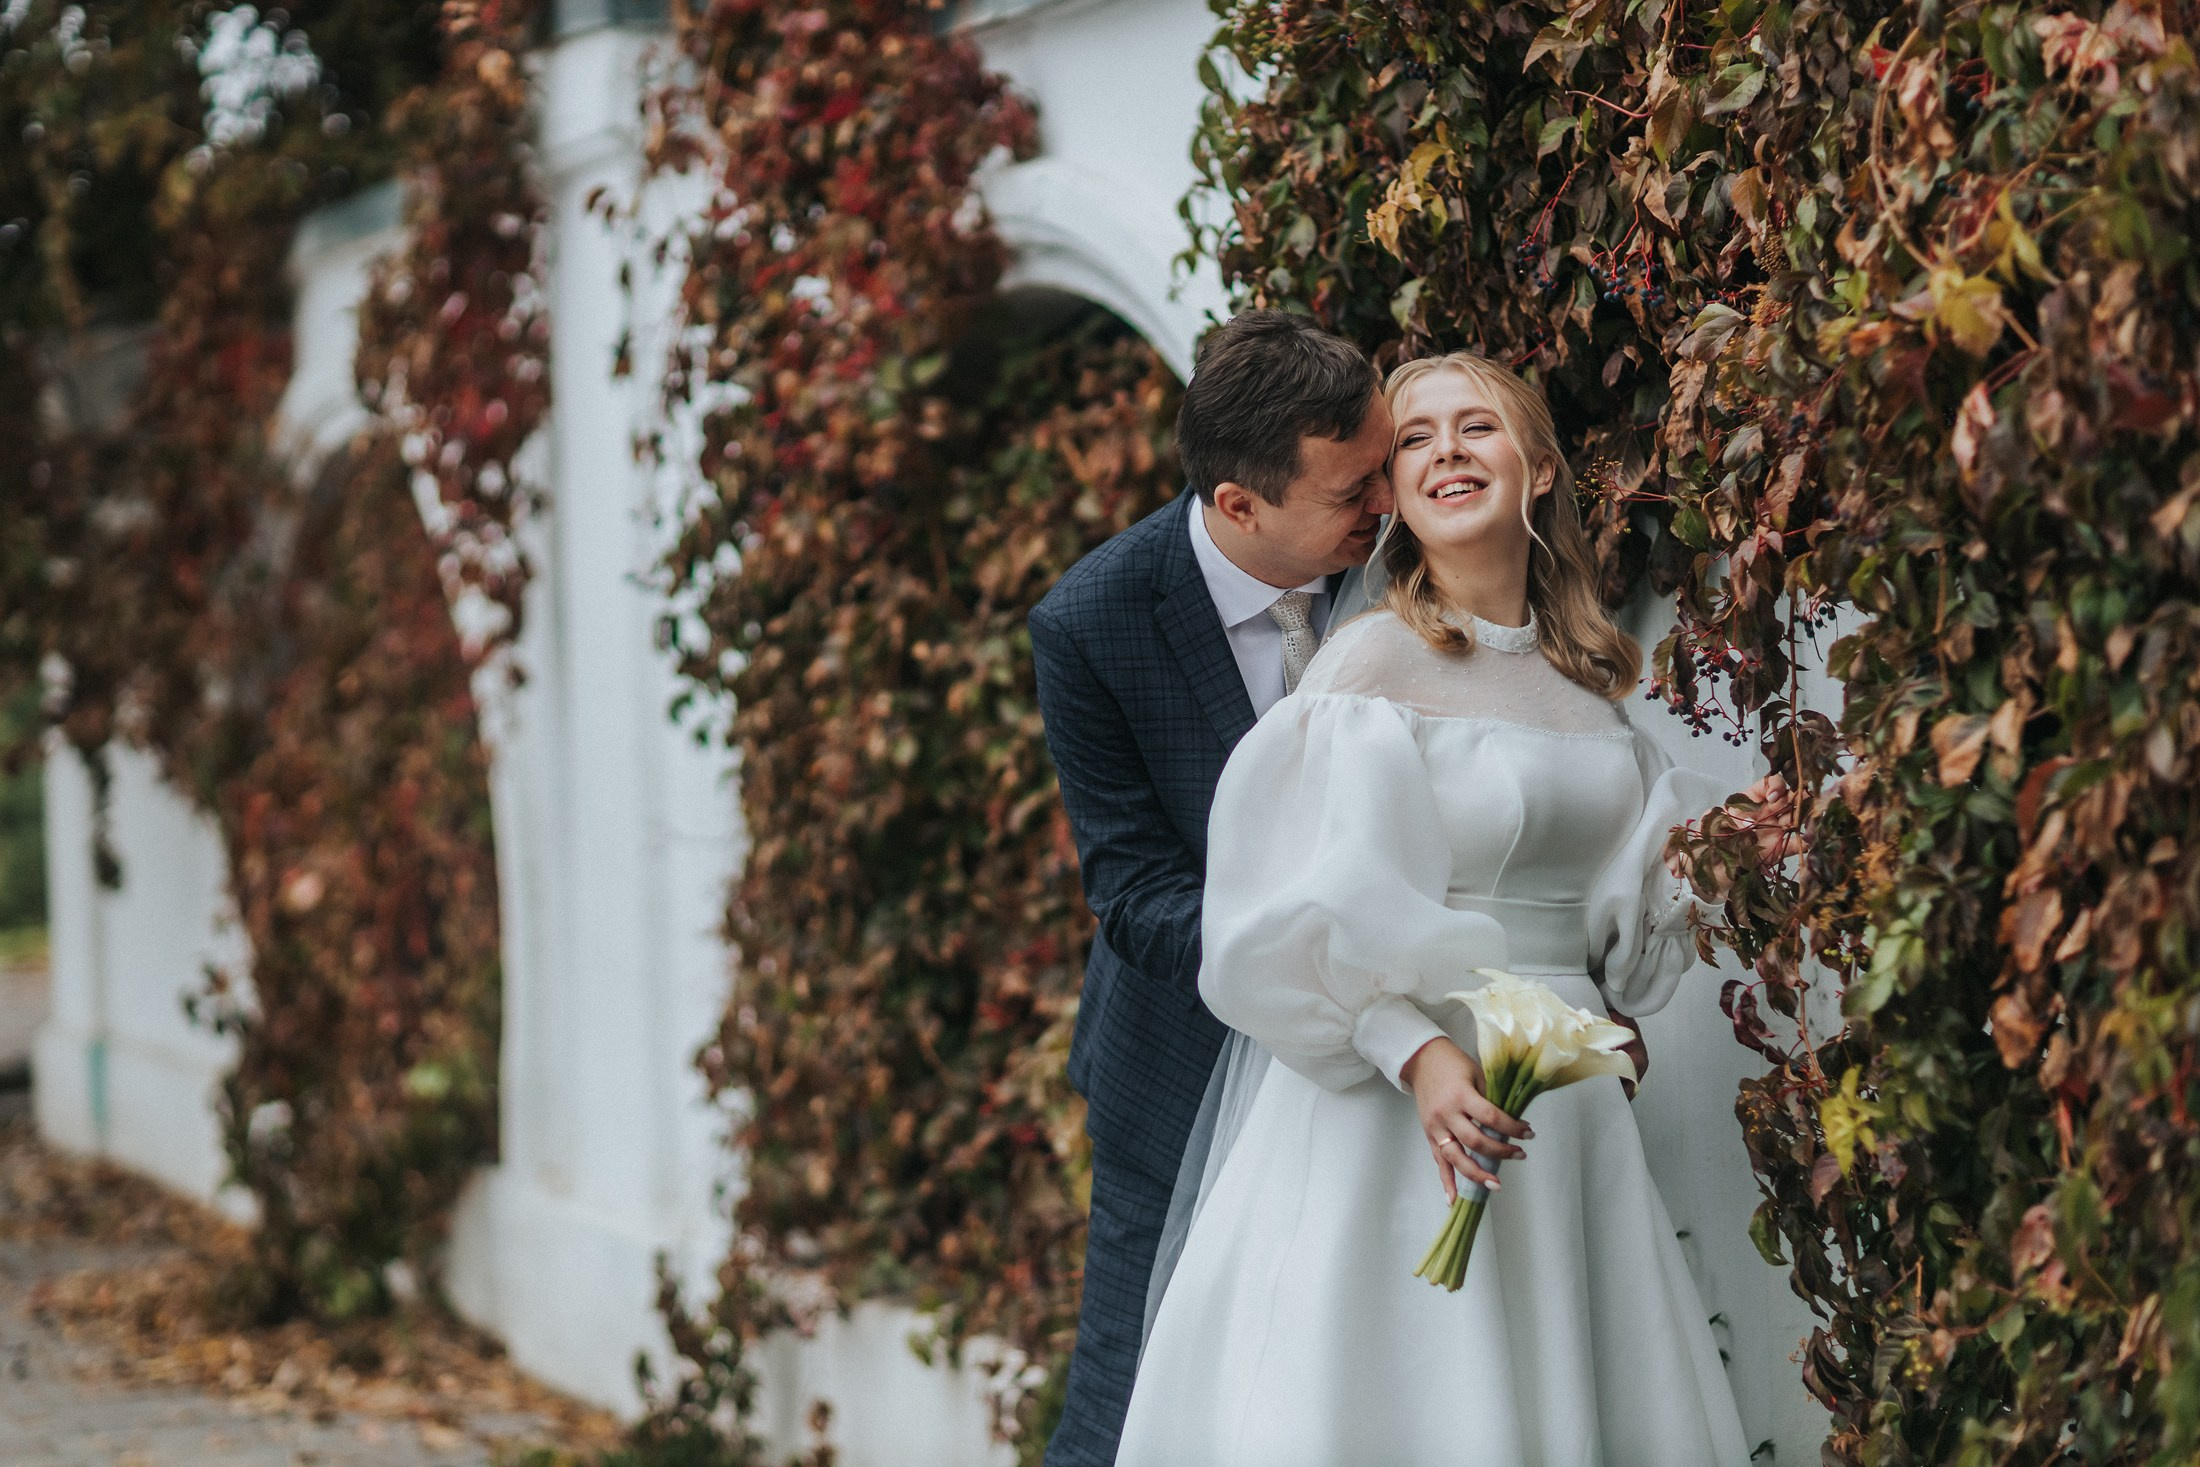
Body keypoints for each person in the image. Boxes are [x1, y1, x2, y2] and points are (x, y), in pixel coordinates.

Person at [1113, 351, 1756, 1466]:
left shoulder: (1588, 682)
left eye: (1477, 426)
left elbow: (1620, 936)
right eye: (1414, 439)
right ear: (1393, 495)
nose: (1446, 451)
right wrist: (1413, 1053)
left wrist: (1730, 851)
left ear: (1540, 469)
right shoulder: (1367, 670)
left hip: (1563, 1116)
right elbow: (1289, 915)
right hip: (1403, 1109)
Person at [1028, 310, 1394, 1467]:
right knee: (1133, 1386)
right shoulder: (1090, 623)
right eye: (1353, 491)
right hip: (1180, 1059)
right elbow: (1133, 891)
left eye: (1384, 468)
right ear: (1240, 504)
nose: (1385, 503)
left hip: (1398, 1069)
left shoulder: (1401, 563)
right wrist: (1310, 963)